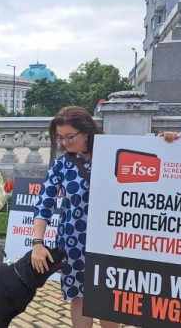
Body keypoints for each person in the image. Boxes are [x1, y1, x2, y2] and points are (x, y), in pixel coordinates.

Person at [31, 106, 118, 328]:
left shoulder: (114, 154)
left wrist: (168, 142)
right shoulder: (62, 164)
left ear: (86, 131)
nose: (65, 143)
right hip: (74, 242)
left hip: (110, 240)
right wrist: (38, 243)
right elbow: (44, 205)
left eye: (69, 136)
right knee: (79, 296)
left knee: (107, 296)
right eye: (60, 138)